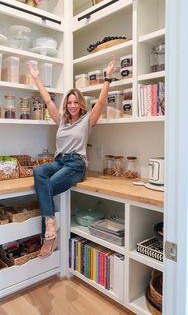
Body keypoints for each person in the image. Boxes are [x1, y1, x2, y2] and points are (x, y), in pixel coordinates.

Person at [28, 55, 116, 258]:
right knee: (39, 171)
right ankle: (51, 225)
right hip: (59, 161)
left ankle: (48, 234)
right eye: (69, 102)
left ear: (81, 104)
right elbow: (48, 99)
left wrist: (107, 78)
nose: (72, 106)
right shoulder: (62, 122)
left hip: (76, 165)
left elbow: (101, 102)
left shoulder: (87, 121)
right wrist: (37, 78)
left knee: (46, 187)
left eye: (76, 102)